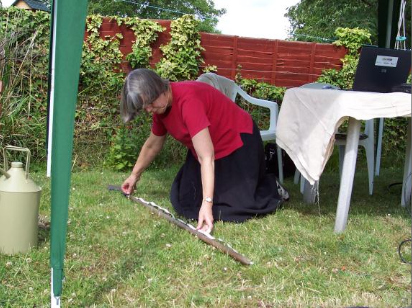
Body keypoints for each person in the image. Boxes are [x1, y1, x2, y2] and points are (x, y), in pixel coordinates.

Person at [120, 68, 285, 234]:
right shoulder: (160, 108)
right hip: (210, 150)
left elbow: (206, 156)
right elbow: (152, 145)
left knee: (235, 208)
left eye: (149, 103)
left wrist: (207, 204)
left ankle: (271, 186)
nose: (148, 110)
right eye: (144, 107)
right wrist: (134, 175)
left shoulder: (188, 100)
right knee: (185, 201)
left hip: (238, 142)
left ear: (157, 88)